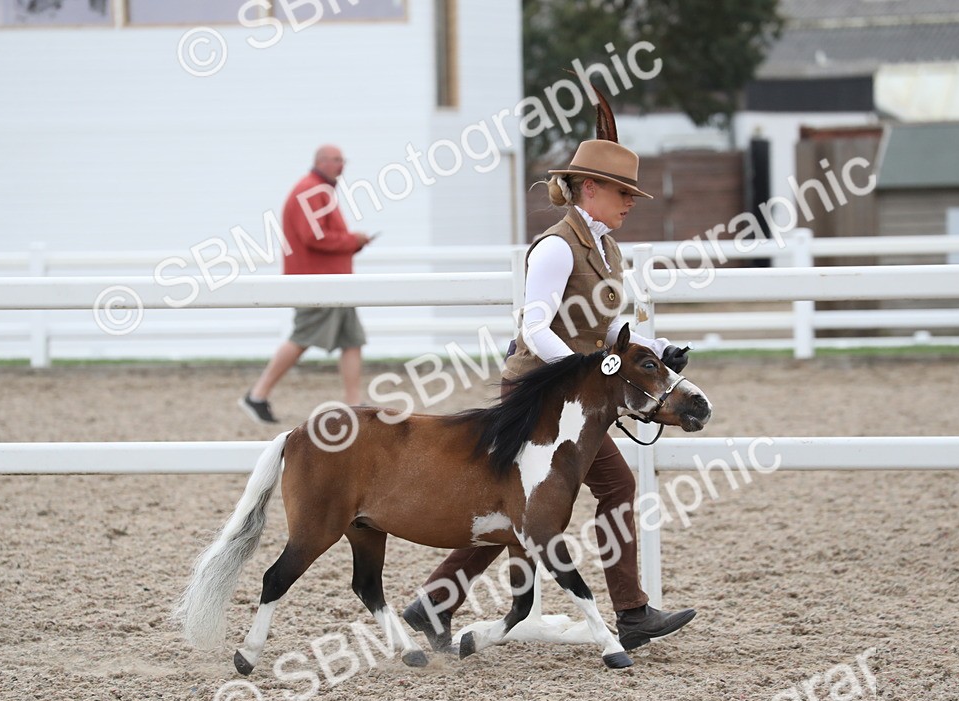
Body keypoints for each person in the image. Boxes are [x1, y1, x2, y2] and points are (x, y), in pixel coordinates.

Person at [401, 134, 697, 654]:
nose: (631, 201)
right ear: (590, 188)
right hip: (539, 392)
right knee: (528, 506)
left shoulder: (606, 248)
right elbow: (535, 327)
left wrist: (656, 346)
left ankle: (436, 602)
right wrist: (586, 373)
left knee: (584, 493)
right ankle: (629, 614)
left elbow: (602, 330)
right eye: (622, 191)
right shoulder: (558, 248)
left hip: (578, 397)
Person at [239, 145, 372, 423]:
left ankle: (354, 403)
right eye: (336, 160)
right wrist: (352, 241)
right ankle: (257, 394)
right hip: (318, 281)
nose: (342, 165)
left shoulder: (319, 191)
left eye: (343, 160)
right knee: (302, 337)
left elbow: (320, 236)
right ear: (321, 162)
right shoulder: (311, 191)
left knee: (352, 340)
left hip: (333, 281)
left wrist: (351, 245)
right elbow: (314, 237)